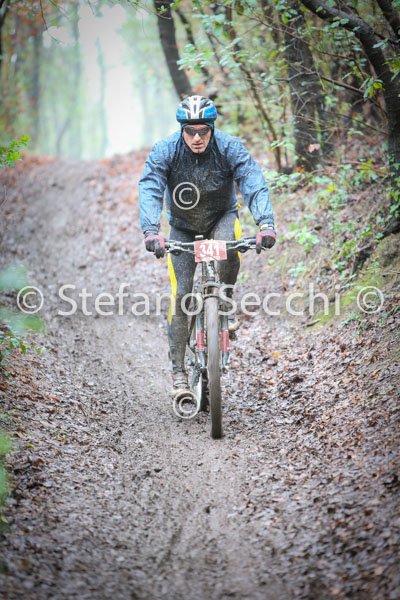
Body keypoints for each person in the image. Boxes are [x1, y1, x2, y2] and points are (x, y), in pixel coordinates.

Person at [138, 95, 276, 394]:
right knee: (182, 294)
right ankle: (178, 374)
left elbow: (252, 180)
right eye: (190, 131)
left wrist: (266, 223)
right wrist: (151, 230)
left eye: (203, 131)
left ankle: (224, 301)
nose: (197, 138)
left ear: (212, 128)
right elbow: (150, 187)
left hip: (221, 217)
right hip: (182, 226)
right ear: (182, 130)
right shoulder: (165, 150)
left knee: (230, 248)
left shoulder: (229, 147)